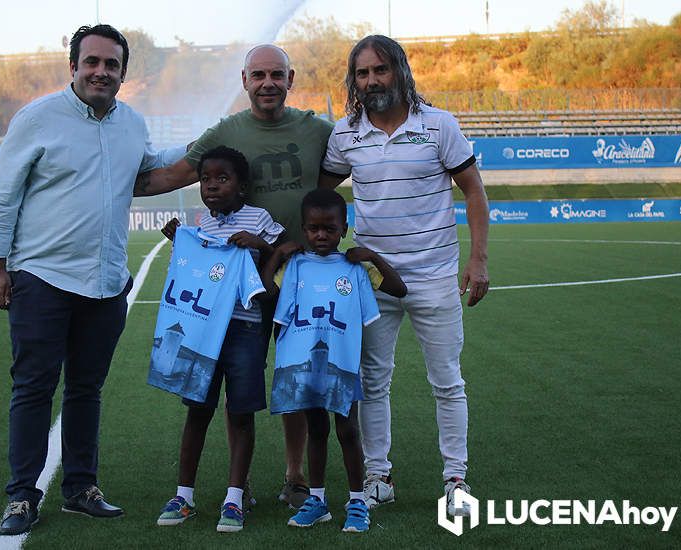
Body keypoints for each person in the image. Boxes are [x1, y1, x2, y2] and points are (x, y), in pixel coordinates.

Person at [0, 24, 184, 536]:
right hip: (42, 277)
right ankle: (22, 495)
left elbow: (150, 169)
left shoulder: (131, 124)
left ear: (122, 73)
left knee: (86, 390)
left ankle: (80, 489)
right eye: (91, 62)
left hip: (107, 282)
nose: (100, 71)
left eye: (111, 64)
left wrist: (208, 151)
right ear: (73, 66)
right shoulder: (37, 118)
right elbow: (4, 194)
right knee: (33, 388)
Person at [135, 44, 334, 508]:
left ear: (291, 78)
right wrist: (104, 179)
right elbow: (174, 175)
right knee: (235, 374)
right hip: (237, 296)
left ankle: (295, 474)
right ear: (244, 80)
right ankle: (236, 487)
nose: (268, 83)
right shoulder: (227, 130)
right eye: (258, 75)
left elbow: (349, 165)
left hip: (303, 276)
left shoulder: (316, 129)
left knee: (296, 375)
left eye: (277, 75)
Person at [318, 35, 490, 515]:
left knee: (447, 381)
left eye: (380, 70)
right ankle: (378, 477)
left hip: (435, 277)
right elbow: (320, 194)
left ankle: (456, 480)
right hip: (374, 280)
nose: (371, 80)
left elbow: (474, 192)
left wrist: (478, 260)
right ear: (354, 80)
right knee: (372, 381)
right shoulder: (344, 133)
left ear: (400, 70)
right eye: (362, 73)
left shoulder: (438, 125)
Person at [153, 146, 284, 533]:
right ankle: (184, 495)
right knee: (197, 411)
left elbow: (284, 251)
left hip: (245, 330)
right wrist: (182, 243)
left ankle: (234, 497)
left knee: (240, 413)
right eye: (206, 179)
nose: (212, 186)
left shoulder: (258, 218)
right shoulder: (201, 227)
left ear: (242, 186)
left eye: (222, 178)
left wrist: (260, 246)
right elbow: (194, 275)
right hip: (204, 332)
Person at [261, 189, 406, 533]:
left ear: (344, 228)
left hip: (341, 365)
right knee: (317, 430)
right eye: (313, 229)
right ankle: (318, 499)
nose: (321, 235)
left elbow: (398, 289)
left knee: (347, 430)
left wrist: (372, 255)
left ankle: (357, 502)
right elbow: (265, 292)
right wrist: (279, 253)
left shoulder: (354, 267)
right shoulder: (294, 265)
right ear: (304, 228)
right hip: (305, 365)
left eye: (329, 228)